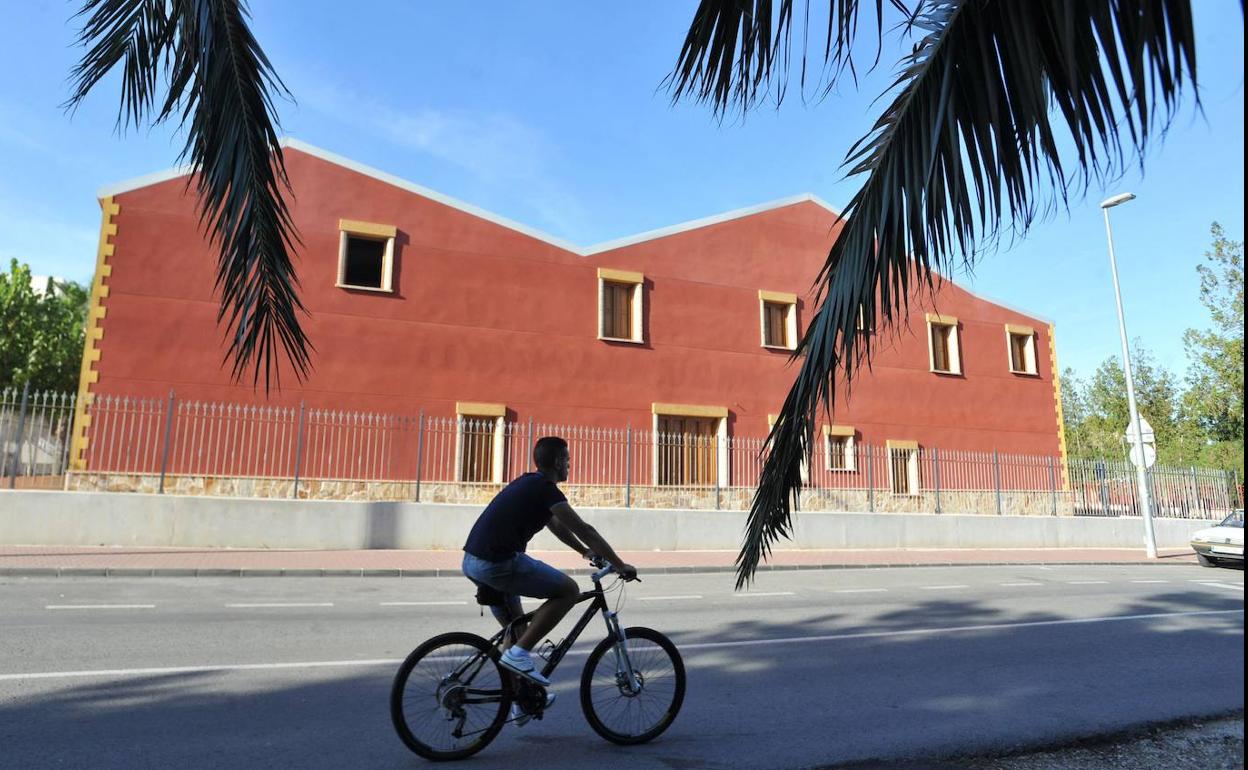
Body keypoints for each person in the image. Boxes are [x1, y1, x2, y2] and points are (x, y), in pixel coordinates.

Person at [462, 436, 637, 697]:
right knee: (568, 591)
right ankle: (520, 656)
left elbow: (555, 524)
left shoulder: (528, 483)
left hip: (472, 562)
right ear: (557, 462)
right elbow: (586, 530)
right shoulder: (546, 489)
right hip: (497, 564)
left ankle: (518, 700)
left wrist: (584, 552)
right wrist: (620, 565)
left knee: (518, 632)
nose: (569, 465)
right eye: (567, 460)